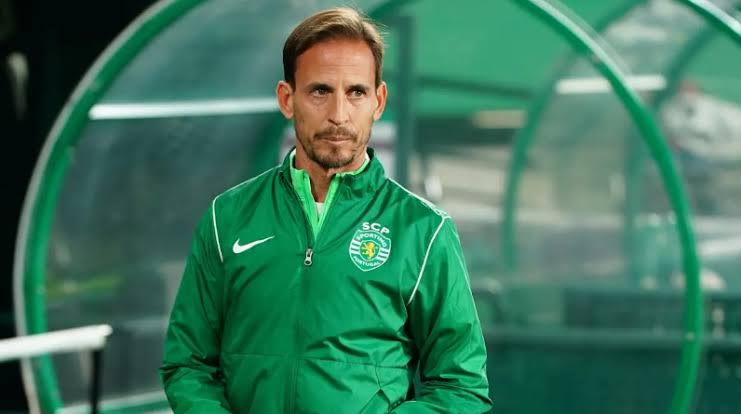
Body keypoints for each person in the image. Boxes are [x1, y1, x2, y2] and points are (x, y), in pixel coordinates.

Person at [160, 7, 492, 413]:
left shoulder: (423, 230)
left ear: (378, 101)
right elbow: (188, 364)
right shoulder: (226, 218)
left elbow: (461, 387)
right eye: (320, 91)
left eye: (356, 92)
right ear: (287, 99)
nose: (338, 114)